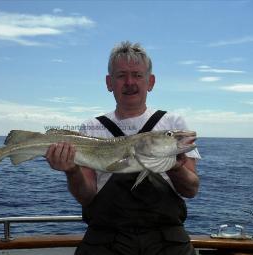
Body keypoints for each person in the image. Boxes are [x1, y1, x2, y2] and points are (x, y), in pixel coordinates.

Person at [46, 41, 201, 255]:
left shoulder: (172, 124)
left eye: (137, 75)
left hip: (166, 240)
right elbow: (86, 196)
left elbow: (191, 189)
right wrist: (71, 171)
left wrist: (175, 167)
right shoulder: (92, 127)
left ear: (151, 81)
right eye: (121, 76)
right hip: (106, 240)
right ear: (109, 82)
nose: (130, 82)